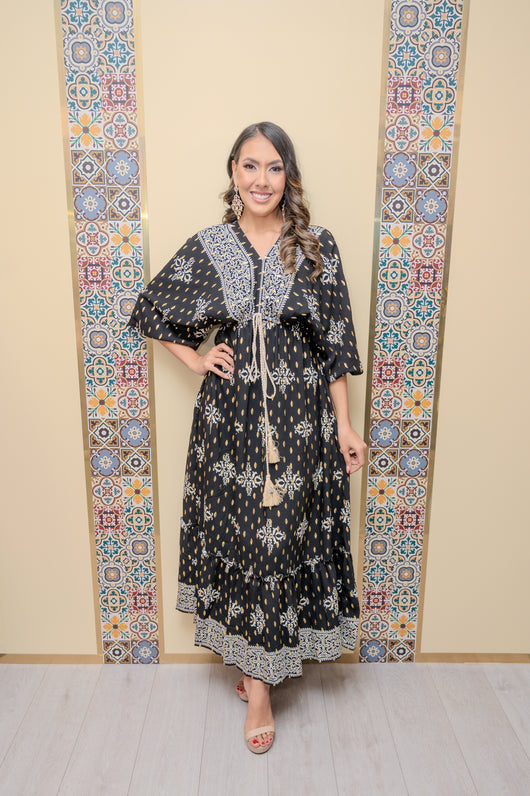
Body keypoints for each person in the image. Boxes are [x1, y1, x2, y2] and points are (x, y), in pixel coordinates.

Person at [127, 121, 366, 754]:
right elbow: (150, 308)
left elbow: (336, 343)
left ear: (290, 176)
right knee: (246, 541)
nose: (262, 180)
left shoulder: (316, 245)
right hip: (230, 424)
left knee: (281, 543)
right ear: (233, 171)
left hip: (300, 422)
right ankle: (259, 675)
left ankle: (258, 682)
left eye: (275, 167)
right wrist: (196, 359)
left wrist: (345, 425)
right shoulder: (210, 246)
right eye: (251, 166)